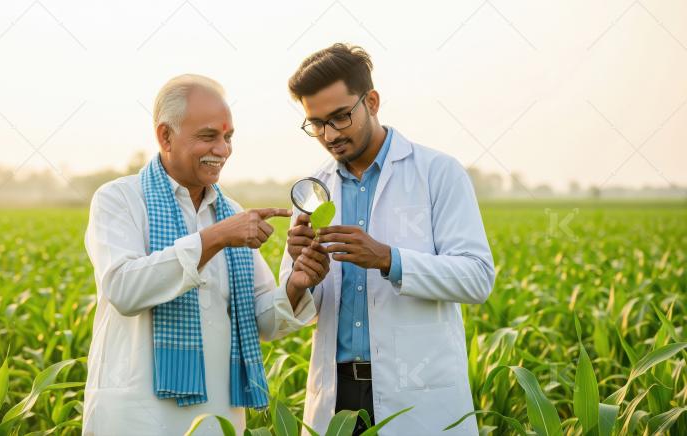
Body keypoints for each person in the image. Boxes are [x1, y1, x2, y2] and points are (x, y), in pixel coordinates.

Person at [82, 74, 328, 435]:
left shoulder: (229, 211)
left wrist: (296, 285)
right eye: (208, 136)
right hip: (135, 417)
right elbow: (124, 288)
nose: (223, 149)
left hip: (217, 417)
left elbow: (261, 319)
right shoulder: (119, 199)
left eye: (228, 137)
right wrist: (215, 238)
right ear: (165, 135)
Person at [280, 44, 495, 436]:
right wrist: (299, 280)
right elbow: (292, 312)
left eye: (340, 117)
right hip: (338, 396)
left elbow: (477, 278)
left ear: (372, 101)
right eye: (316, 123)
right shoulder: (314, 190)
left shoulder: (438, 173)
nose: (329, 135)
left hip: (419, 398)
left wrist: (387, 259)